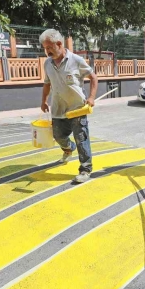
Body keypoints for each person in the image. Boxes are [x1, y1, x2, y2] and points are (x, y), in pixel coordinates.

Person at [39, 29, 98, 183]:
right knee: (58, 135)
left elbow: (93, 77)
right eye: (45, 48)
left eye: (49, 48)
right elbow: (47, 84)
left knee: (81, 138)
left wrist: (91, 97)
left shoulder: (76, 60)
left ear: (59, 44)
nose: (47, 51)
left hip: (78, 108)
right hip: (58, 108)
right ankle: (68, 148)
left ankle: (85, 169)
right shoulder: (47, 64)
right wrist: (43, 100)